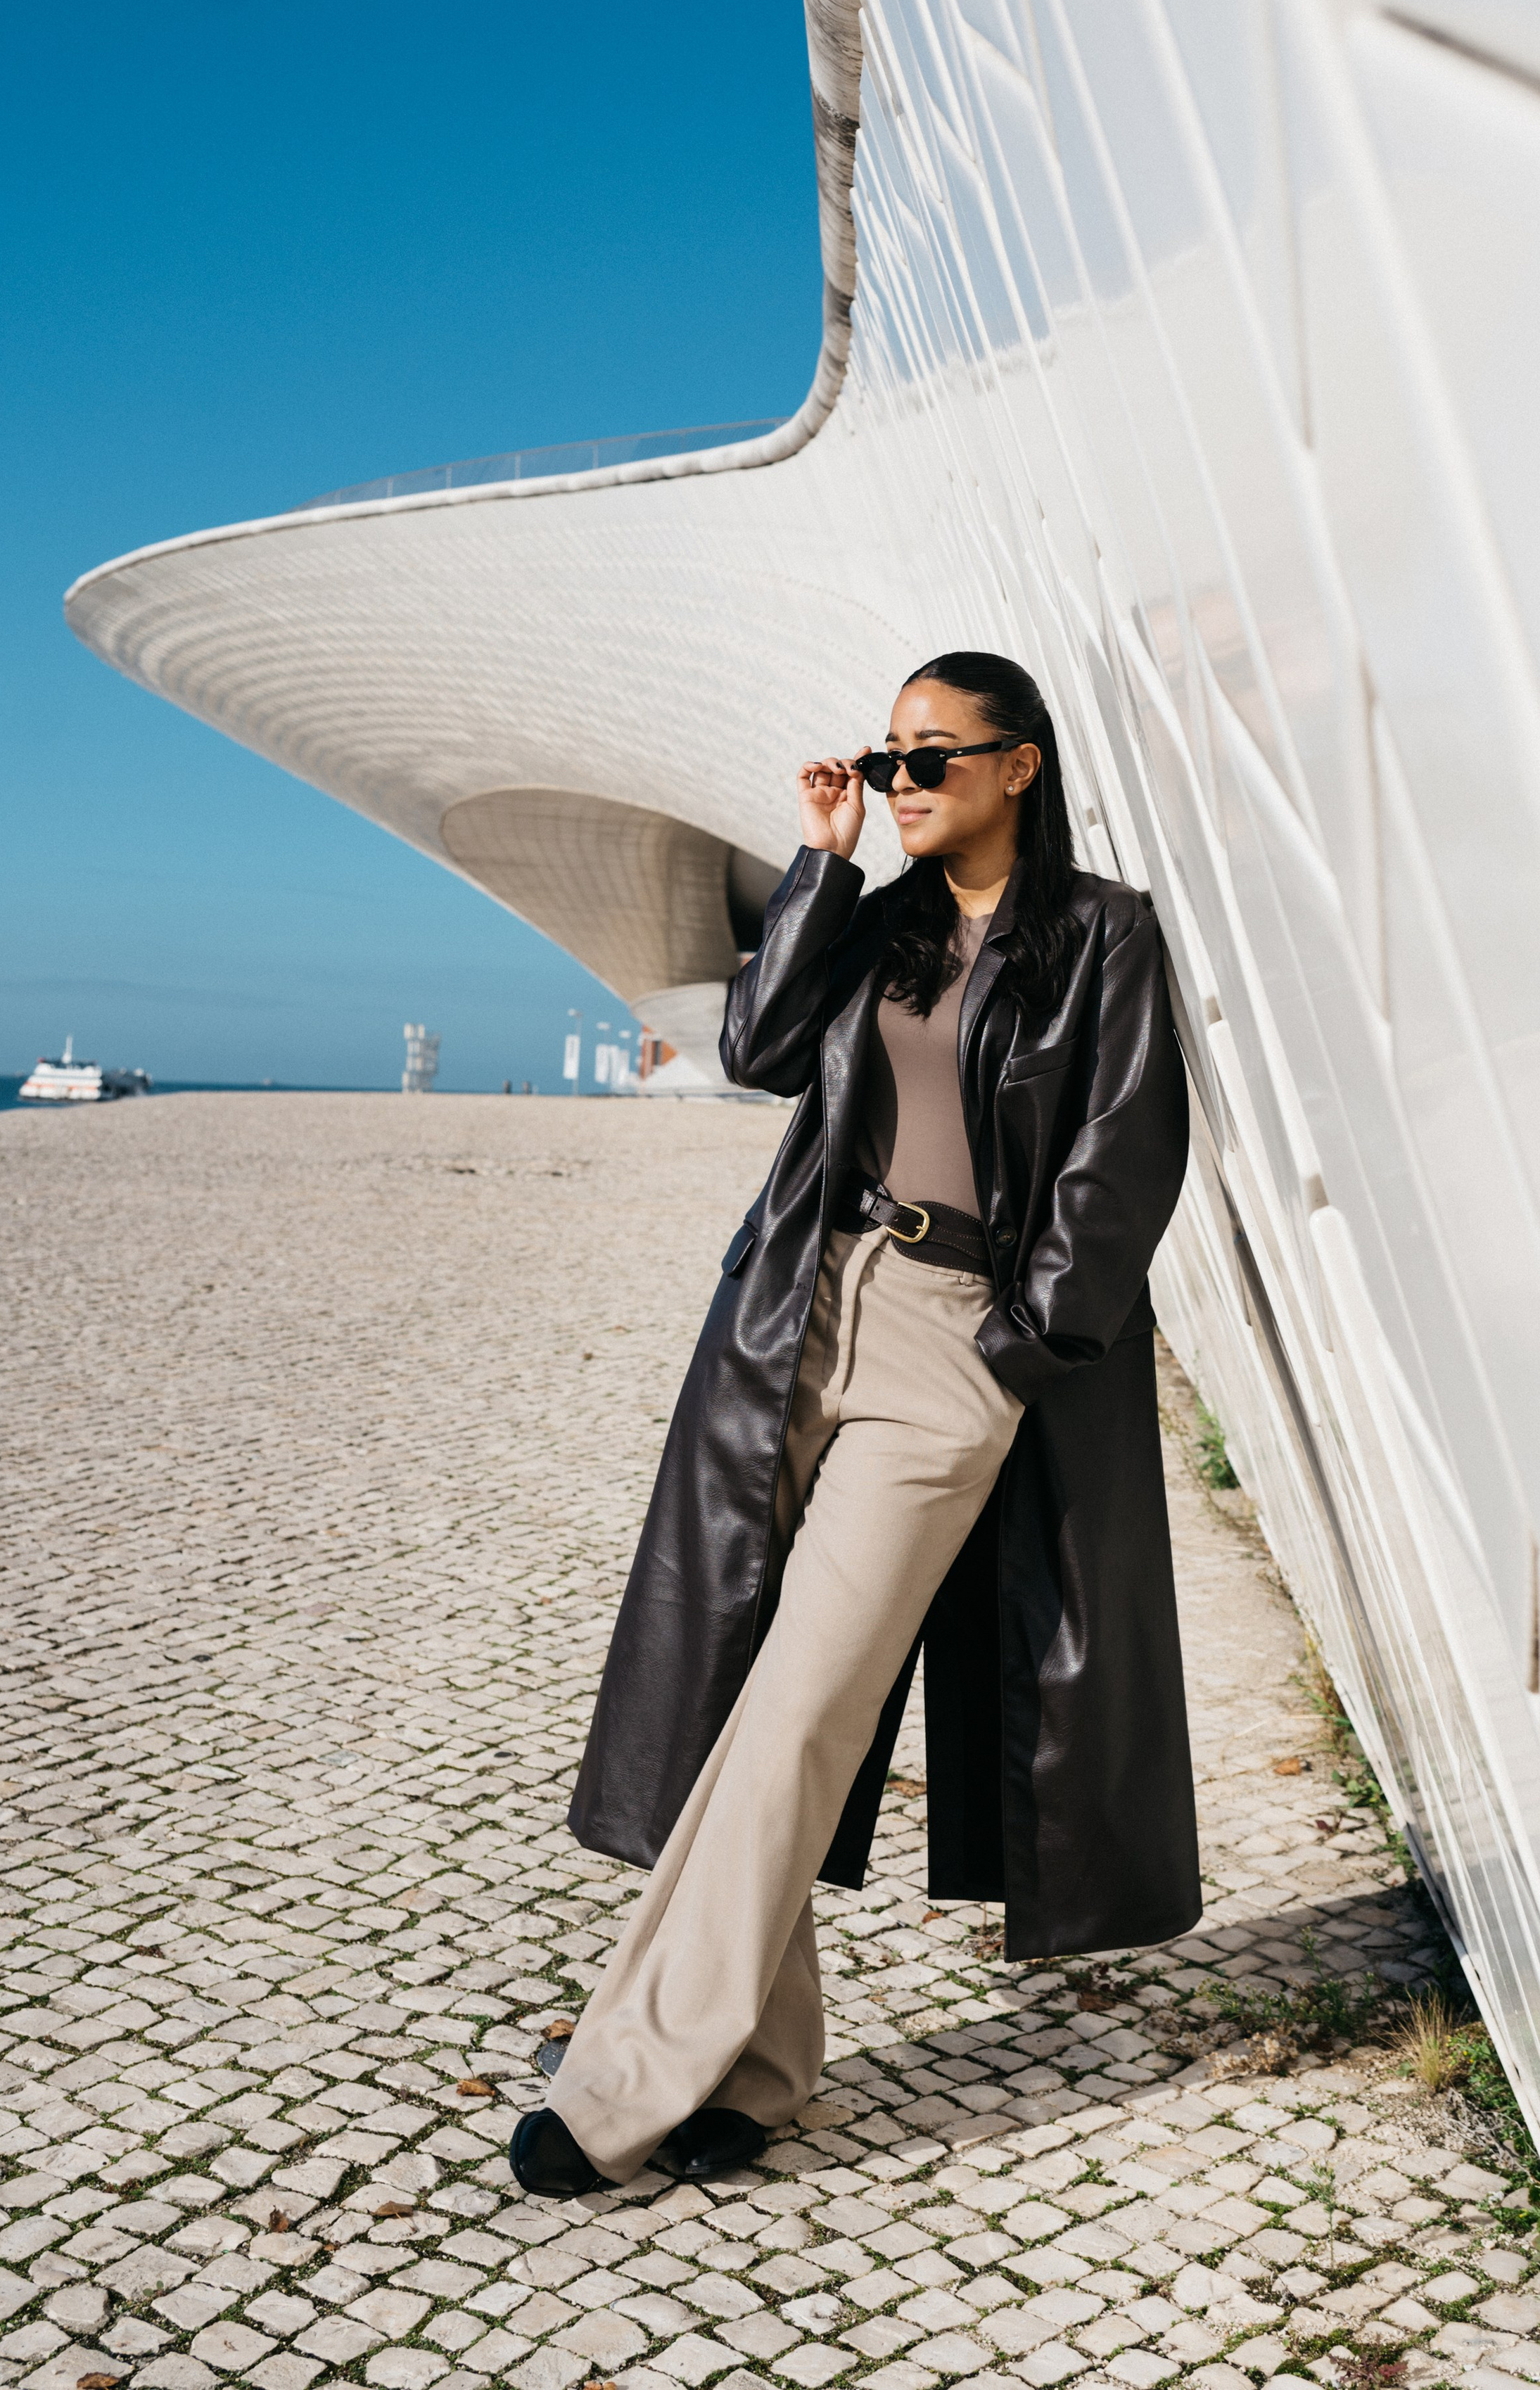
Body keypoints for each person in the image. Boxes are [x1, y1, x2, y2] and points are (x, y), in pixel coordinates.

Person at [511, 650, 1199, 2199]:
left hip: (954, 1347)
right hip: (798, 1316)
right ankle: (758, 2073)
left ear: (1018, 765)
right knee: (744, 1693)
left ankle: (624, 2074)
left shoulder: (1104, 938)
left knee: (805, 1701)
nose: (896, 781)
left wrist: (1018, 1352)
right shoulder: (872, 920)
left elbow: (1119, 1161)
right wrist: (817, 870)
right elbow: (753, 1050)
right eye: (882, 756)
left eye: (928, 757)